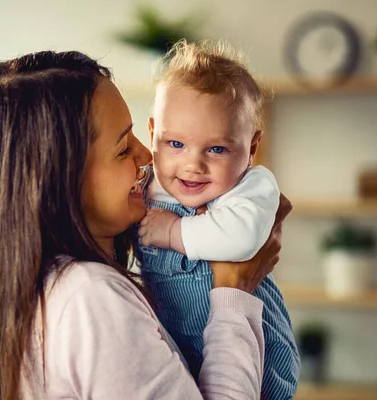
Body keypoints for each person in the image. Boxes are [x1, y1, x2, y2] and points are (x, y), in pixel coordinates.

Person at [0, 50, 292, 400]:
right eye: (122, 148)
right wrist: (235, 289)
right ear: (60, 180)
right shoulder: (90, 299)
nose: (147, 155)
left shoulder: (35, 290)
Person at [136, 40, 300, 399]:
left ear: (252, 148)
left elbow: (240, 237)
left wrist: (175, 231)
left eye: (217, 149)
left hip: (258, 353)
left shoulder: (252, 184)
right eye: (175, 144)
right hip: (179, 349)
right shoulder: (145, 183)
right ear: (152, 134)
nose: (193, 165)